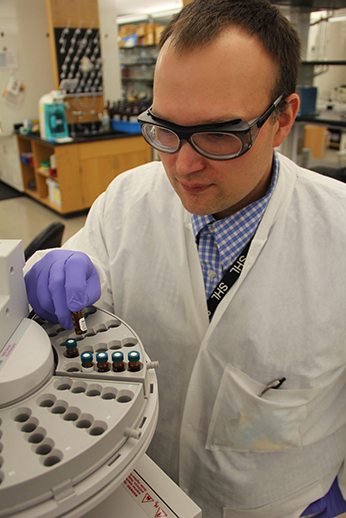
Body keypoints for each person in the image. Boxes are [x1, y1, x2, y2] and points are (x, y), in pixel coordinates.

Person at [24, 0, 346, 516]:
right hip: (142, 486)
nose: (183, 164)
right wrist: (46, 275)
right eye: (165, 128)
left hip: (279, 502)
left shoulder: (339, 232)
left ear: (283, 118)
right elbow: (75, 286)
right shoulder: (126, 200)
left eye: (220, 133)